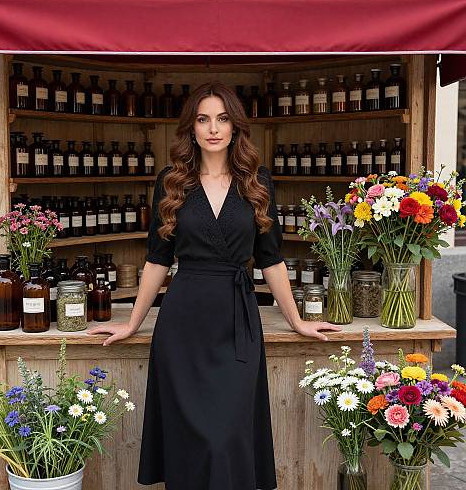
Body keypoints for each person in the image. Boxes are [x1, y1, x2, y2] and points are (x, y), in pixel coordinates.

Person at [87, 82, 342, 489]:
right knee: (192, 442)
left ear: (235, 126)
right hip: (183, 324)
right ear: (191, 128)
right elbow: (157, 258)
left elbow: (271, 258)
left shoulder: (256, 181)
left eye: (222, 119)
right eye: (203, 119)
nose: (213, 128)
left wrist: (297, 321)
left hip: (236, 321)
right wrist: (133, 323)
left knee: (226, 439)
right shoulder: (172, 181)